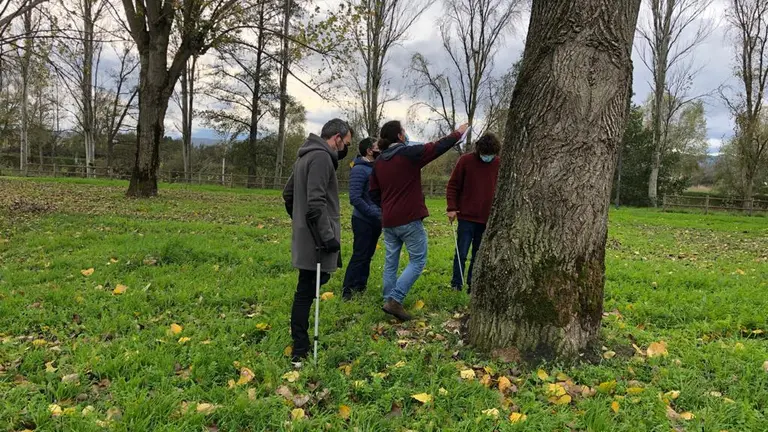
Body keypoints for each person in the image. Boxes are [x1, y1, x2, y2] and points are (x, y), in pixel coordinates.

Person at [370, 120, 469, 321]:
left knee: (391, 261)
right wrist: (458, 133)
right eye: (403, 131)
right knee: (418, 259)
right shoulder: (408, 154)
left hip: (388, 221)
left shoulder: (379, 162)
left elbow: (373, 193)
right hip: (409, 218)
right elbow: (437, 147)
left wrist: (387, 206)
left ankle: (388, 298)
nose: (406, 134)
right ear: (399, 136)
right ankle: (395, 300)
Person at [282, 118, 353, 366]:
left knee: (308, 286)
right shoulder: (322, 158)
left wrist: (299, 222)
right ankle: (300, 351)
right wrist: (327, 237)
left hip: (308, 232)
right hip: (318, 237)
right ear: (336, 138)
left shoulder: (304, 155)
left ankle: (299, 346)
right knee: (305, 291)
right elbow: (316, 203)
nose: (345, 149)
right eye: (346, 143)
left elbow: (288, 195)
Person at [446, 133, 501, 292]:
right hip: (466, 217)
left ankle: (472, 284)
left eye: (490, 155)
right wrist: (451, 208)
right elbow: (453, 186)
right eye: (485, 154)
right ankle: (457, 284)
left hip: (486, 218)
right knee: (461, 253)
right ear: (478, 150)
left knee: (478, 254)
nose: (487, 158)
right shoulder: (465, 161)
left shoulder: (498, 163)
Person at [342, 138, 382, 300]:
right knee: (360, 254)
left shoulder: (375, 168)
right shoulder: (359, 169)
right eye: (377, 147)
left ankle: (361, 286)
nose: (380, 149)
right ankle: (348, 289)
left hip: (376, 220)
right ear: (369, 151)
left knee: (369, 254)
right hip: (362, 220)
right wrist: (373, 211)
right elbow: (355, 198)